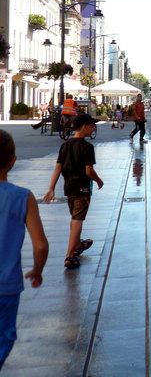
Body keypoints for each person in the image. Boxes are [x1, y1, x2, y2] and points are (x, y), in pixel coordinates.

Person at [0, 130, 48, 370]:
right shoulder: (22, 197)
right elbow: (40, 244)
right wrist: (37, 270)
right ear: (12, 161)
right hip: (6, 287)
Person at [43, 114, 104, 270]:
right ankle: (70, 255)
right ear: (83, 127)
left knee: (74, 217)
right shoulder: (87, 147)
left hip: (68, 187)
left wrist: (51, 188)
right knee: (78, 219)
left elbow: (58, 167)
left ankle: (77, 244)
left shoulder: (66, 145)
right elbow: (89, 170)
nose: (93, 128)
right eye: (91, 126)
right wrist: (98, 180)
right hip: (82, 187)